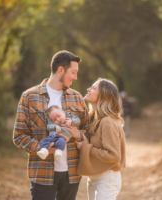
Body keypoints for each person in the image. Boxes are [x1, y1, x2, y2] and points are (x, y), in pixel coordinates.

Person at [12, 50, 88, 200]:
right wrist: (43, 148)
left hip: (71, 173)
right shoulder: (29, 96)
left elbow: (88, 130)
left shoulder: (77, 98)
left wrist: (77, 136)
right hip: (41, 172)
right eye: (73, 72)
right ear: (61, 70)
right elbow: (19, 136)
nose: (75, 77)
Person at [67, 78, 126, 200]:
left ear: (104, 95)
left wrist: (85, 147)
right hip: (95, 175)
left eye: (93, 88)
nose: (88, 89)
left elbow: (114, 156)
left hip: (107, 177)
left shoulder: (108, 122)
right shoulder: (94, 119)